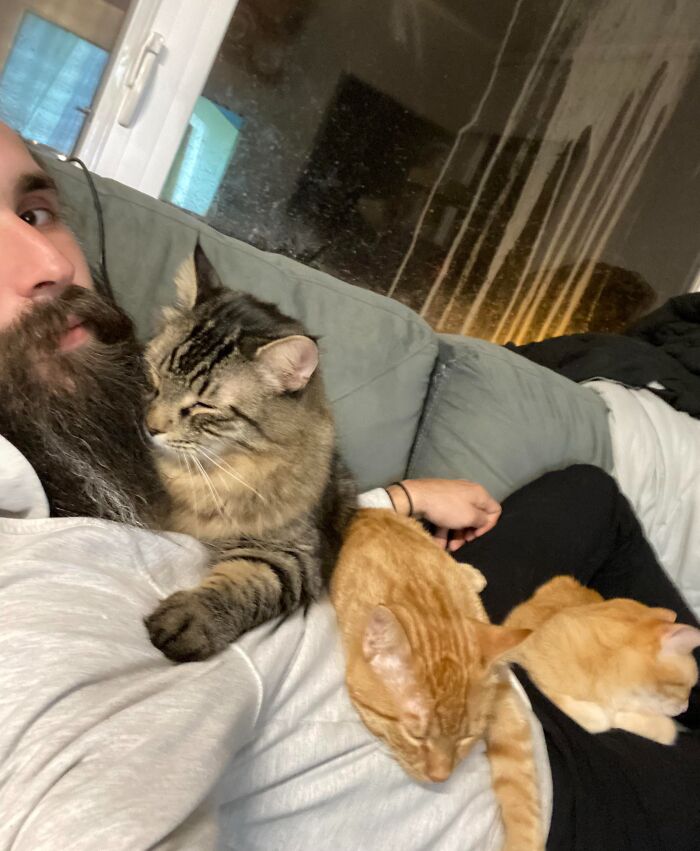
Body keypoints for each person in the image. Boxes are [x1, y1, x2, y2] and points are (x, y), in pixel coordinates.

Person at [0, 121, 697, 851]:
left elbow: (243, 541)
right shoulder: (43, 605)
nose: (50, 261)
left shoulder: (75, 427)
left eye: (37, 212)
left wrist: (399, 501)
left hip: (428, 633)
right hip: (512, 791)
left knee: (584, 494)